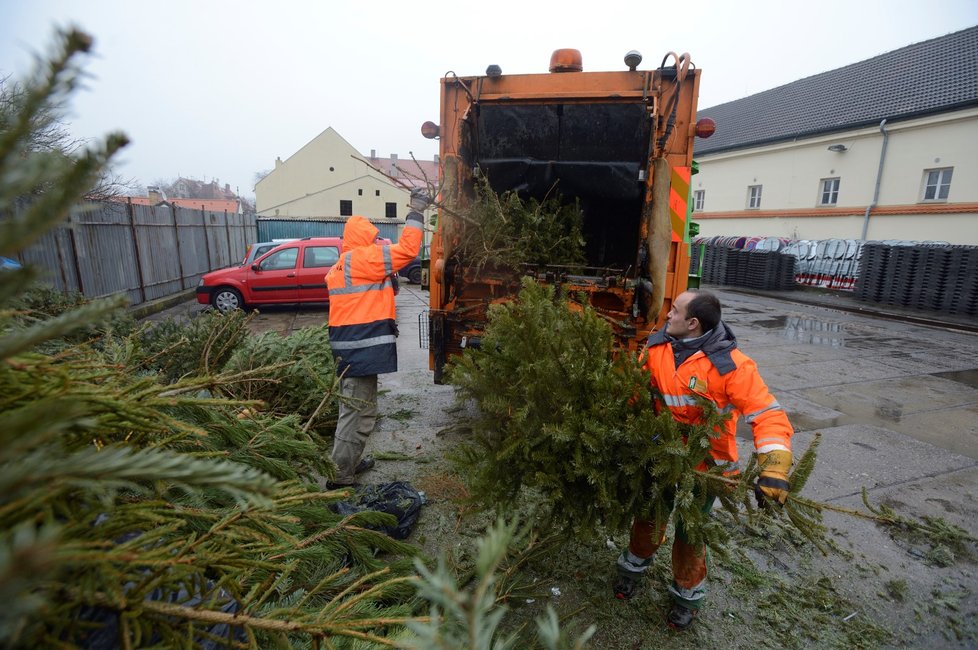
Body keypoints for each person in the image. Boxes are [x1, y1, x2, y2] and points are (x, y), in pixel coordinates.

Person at [613, 289, 794, 630]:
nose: (667, 315)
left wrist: (774, 466)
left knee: (690, 533)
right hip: (660, 455)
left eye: (675, 311)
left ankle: (686, 597)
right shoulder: (658, 348)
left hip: (705, 468)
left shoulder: (731, 366)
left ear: (693, 323)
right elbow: (635, 393)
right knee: (648, 517)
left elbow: (767, 413)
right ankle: (632, 569)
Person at [323, 190, 427, 488]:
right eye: (372, 238)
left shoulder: (341, 265)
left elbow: (363, 300)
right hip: (360, 349)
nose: (376, 242)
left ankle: (349, 464)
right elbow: (408, 250)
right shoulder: (363, 259)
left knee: (359, 410)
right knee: (357, 414)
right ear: (364, 239)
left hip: (349, 348)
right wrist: (416, 212)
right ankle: (340, 476)